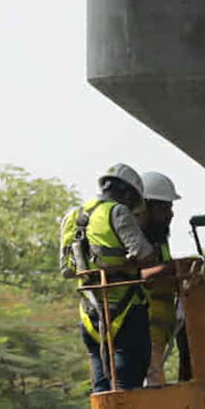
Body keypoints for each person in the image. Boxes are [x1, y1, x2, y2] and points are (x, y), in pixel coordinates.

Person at [59, 163, 158, 392]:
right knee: (128, 377)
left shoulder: (72, 216)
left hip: (90, 312)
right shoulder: (117, 211)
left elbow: (66, 270)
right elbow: (144, 255)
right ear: (127, 193)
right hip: (126, 308)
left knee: (101, 379)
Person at [137, 171, 183, 386]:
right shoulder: (133, 241)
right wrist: (169, 269)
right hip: (141, 329)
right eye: (164, 208)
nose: (170, 214)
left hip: (160, 329)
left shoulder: (159, 241)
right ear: (145, 208)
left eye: (170, 208)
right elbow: (133, 277)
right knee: (153, 385)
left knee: (157, 380)